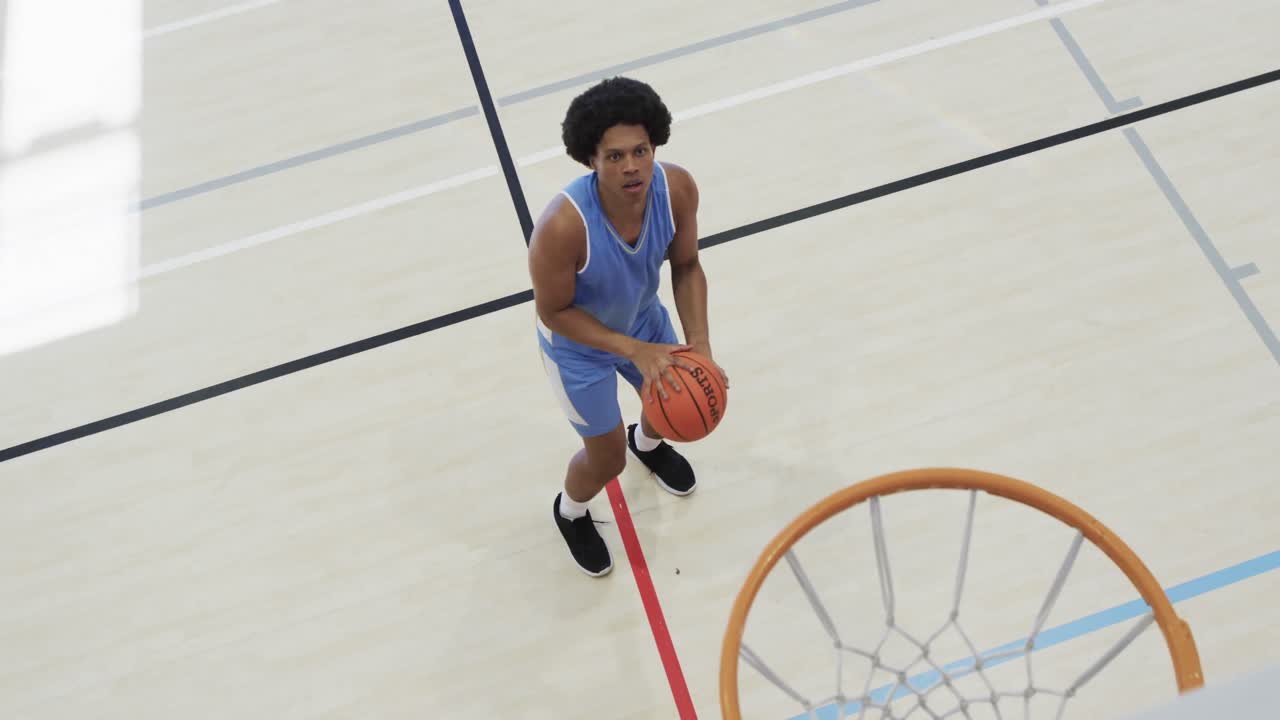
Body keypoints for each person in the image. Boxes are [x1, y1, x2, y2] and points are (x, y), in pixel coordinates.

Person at [528, 76, 728, 577]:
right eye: (614, 156)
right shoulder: (562, 226)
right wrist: (632, 350)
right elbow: (554, 312)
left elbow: (686, 267)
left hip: (642, 320)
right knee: (607, 459)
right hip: (579, 347)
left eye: (640, 150)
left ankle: (650, 442)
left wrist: (698, 346)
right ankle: (570, 512)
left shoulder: (676, 188)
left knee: (667, 402)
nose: (632, 166)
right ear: (590, 160)